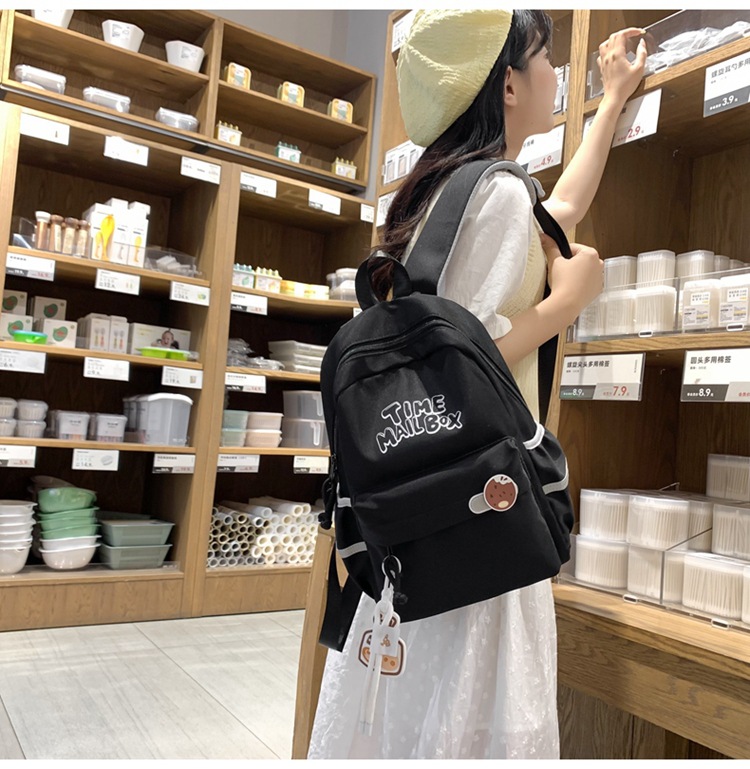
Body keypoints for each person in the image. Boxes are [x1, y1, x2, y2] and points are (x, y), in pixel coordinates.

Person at [308, 9, 646, 760]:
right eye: (545, 57)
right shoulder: (495, 193)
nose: (555, 72)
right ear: (509, 84)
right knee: (471, 712)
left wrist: (612, 100)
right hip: (480, 510)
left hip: (426, 514)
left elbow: (557, 214)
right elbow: (462, 360)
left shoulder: (450, 187)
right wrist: (565, 304)